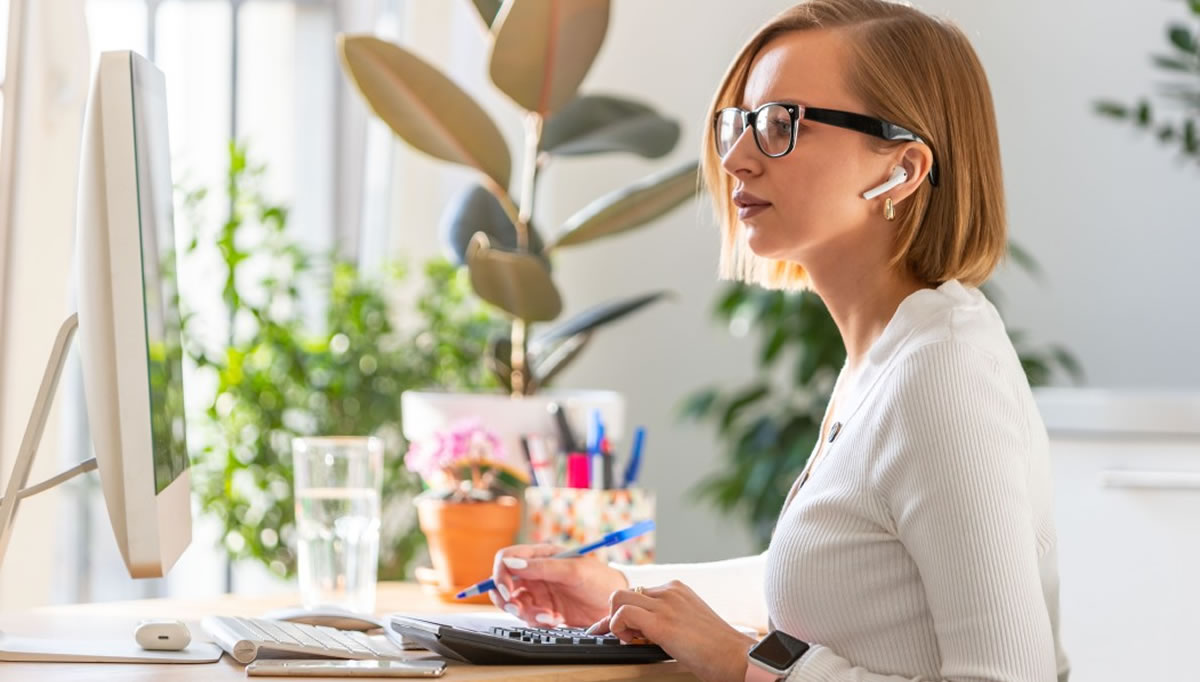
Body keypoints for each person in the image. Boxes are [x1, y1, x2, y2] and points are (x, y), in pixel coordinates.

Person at [489, 1, 1070, 680]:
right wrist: (618, 587)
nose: (736, 158)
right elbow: (829, 584)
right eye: (740, 123)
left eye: (780, 125)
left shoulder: (944, 373)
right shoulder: (888, 355)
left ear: (902, 170)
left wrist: (753, 665)